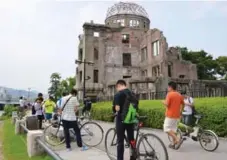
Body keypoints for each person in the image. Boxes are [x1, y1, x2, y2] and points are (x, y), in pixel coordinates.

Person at [113, 80, 139, 160]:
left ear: (119, 86)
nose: (117, 89)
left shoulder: (118, 94)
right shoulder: (132, 94)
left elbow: (117, 109)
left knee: (120, 141)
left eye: (117, 87)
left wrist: (115, 109)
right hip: (131, 119)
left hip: (121, 119)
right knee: (131, 139)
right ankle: (133, 156)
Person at [162, 81, 184, 150]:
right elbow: (183, 104)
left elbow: (167, 104)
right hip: (177, 116)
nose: (167, 88)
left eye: (168, 87)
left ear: (170, 87)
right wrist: (181, 111)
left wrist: (163, 102)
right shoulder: (179, 95)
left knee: (166, 128)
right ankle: (173, 144)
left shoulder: (169, 94)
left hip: (170, 115)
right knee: (173, 130)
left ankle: (177, 139)